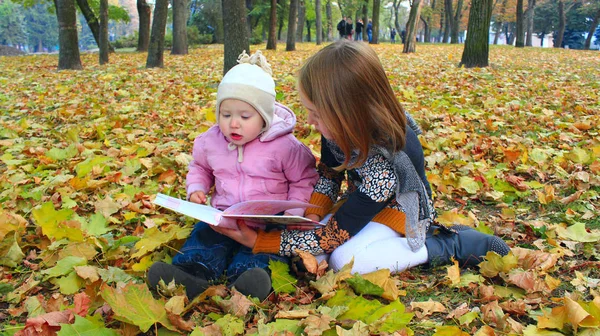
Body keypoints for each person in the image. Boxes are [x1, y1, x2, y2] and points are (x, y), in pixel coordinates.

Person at [213, 40, 510, 277]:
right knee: (311, 241)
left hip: (402, 213)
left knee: (348, 261)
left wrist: (260, 242)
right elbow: (330, 175)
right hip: (362, 204)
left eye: (315, 113)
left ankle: (450, 243)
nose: (309, 120)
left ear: (346, 112)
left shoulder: (387, 162)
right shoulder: (336, 130)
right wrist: (313, 213)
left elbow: (335, 234)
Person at [147, 50, 319, 301]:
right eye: (225, 114)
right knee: (205, 239)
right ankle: (192, 273)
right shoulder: (212, 141)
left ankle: (250, 282)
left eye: (244, 116)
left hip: (267, 222)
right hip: (224, 216)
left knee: (261, 254)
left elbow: (303, 180)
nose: (233, 124)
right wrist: (197, 187)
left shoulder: (285, 146)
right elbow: (201, 167)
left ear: (265, 117)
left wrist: (294, 211)